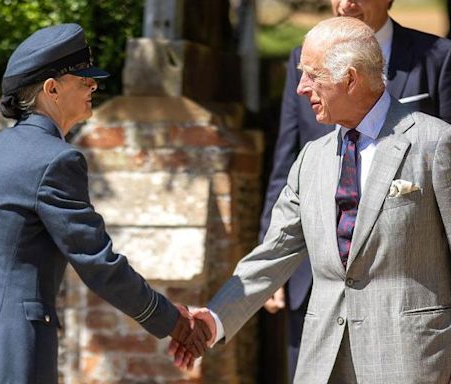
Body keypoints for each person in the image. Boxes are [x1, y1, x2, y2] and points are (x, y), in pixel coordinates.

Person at [177, 16, 451, 383]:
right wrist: (214, 318)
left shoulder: (434, 143)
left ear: (350, 79)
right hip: (322, 362)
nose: (301, 88)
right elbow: (274, 252)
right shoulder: (311, 159)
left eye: (312, 74)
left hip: (411, 362)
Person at [0, 23, 209, 384]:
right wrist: (172, 321)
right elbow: (97, 262)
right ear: (52, 89)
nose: (94, 86)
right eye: (84, 80)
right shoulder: (56, 160)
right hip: (12, 355)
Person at [261, 0, 451, 381]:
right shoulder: (307, 57)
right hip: (318, 287)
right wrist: (270, 258)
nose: (346, 3)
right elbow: (287, 158)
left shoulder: (436, 57)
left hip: (406, 324)